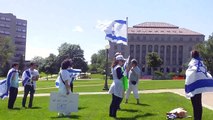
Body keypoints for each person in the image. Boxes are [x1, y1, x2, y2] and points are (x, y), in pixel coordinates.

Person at [185, 50, 213, 120]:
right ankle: (198, 118)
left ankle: (196, 118)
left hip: (194, 86)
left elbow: (189, 73)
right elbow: (203, 71)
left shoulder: (193, 63)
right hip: (199, 86)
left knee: (195, 104)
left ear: (192, 55)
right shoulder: (201, 63)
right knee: (198, 103)